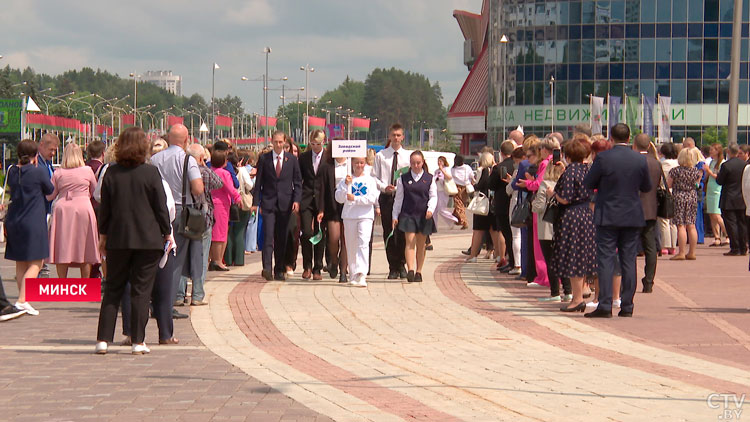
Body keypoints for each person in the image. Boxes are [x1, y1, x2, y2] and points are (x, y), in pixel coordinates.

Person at [95, 127, 171, 354]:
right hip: (148, 240)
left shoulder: (111, 173)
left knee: (113, 289)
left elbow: (104, 209)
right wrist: (167, 231)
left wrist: (103, 234)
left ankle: (103, 339)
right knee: (141, 290)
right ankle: (138, 341)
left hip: (118, 238)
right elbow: (160, 207)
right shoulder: (151, 173)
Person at [583, 123, 652, 318]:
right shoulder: (639, 159)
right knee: (628, 260)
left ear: (610, 138)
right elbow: (646, 186)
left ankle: (605, 305)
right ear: (629, 138)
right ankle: (627, 305)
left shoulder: (604, 157)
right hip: (632, 214)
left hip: (608, 214)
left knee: (605, 259)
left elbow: (589, 182)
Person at [149, 124, 204, 321]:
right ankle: (166, 305)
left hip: (157, 211)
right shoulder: (188, 159)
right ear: (186, 140)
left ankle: (155, 301)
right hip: (181, 211)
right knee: (175, 260)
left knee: (158, 258)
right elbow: (197, 188)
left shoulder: (155, 159)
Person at [4, 140, 54, 316]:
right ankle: (22, 300)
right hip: (33, 220)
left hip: (14, 220)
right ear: (35, 155)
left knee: (21, 261)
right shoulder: (38, 171)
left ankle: (23, 298)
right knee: (36, 262)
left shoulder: (11, 172)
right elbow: (50, 190)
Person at [549, 136, 596, 312]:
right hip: (586, 214)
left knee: (573, 256)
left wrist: (552, 194)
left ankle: (576, 298)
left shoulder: (570, 172)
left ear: (567, 156)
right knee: (583, 255)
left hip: (572, 216)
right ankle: (581, 292)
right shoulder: (588, 170)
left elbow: (566, 198)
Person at [176, 144, 223, 307]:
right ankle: (197, 295)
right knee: (200, 257)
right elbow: (219, 183)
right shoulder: (203, 172)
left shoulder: (179, 171)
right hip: (201, 217)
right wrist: (204, 165)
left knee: (181, 257)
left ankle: (179, 294)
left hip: (183, 216)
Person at [251, 131, 302, 281]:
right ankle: (266, 267)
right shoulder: (265, 159)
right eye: (276, 142)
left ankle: (279, 268)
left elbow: (297, 182)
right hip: (268, 203)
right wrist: (255, 203)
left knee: (281, 238)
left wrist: (296, 200)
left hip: (285, 204)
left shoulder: (291, 160)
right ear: (272, 141)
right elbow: (258, 182)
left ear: (285, 142)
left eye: (281, 142)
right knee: (268, 237)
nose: (278, 145)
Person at [46, 143, 100, 278]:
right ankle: (85, 284)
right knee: (85, 248)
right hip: (83, 208)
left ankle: (63, 283)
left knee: (62, 248)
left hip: (63, 210)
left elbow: (50, 195)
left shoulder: (58, 173)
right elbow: (95, 191)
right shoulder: (87, 171)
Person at [372, 124, 412, 279]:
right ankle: (392, 266)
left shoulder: (407, 156)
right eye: (393, 135)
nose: (396, 138)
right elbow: (374, 176)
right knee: (388, 232)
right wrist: (383, 187)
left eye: (399, 135)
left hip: (402, 197)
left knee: (401, 232)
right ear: (389, 136)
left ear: (403, 137)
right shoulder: (381, 156)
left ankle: (402, 264)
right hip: (387, 197)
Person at [532, 150, 571, 302]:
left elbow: (539, 207)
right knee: (564, 259)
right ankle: (568, 290)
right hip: (562, 226)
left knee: (551, 261)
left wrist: (533, 204)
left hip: (547, 228)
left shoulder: (545, 184)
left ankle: (555, 292)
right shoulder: (565, 184)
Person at [392, 150, 437, 283]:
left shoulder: (429, 178)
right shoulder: (403, 179)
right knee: (409, 241)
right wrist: (395, 215)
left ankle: (419, 271)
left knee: (421, 244)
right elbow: (398, 199)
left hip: (423, 215)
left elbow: (433, 196)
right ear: (410, 164)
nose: (416, 166)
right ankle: (410, 269)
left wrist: (430, 209)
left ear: (422, 163)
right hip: (408, 214)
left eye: (418, 163)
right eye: (413, 163)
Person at [335, 156, 380, 287]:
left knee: (363, 243)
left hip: (365, 215)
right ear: (352, 164)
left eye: (361, 162)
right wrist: (345, 186)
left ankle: (362, 273)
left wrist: (355, 198)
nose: (359, 165)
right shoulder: (346, 180)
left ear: (365, 163)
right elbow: (338, 198)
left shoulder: (370, 180)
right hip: (349, 216)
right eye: (356, 163)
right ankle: (353, 274)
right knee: (351, 245)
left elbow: (372, 198)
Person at [634, 134, 663, 293]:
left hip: (633, 208)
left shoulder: (634, 161)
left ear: (635, 145)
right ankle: (649, 281)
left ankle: (629, 279)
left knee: (630, 245)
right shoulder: (656, 163)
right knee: (650, 246)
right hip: (651, 208)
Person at [298, 129, 327, 280]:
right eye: (313, 144)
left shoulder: (328, 158)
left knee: (320, 233)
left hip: (322, 199)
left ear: (324, 142)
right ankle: (307, 266)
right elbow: (299, 180)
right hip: (306, 198)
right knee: (307, 233)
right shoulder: (303, 158)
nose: (315, 147)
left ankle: (317, 267)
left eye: (318, 143)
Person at [465, 152, 502, 263]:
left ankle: (473, 255)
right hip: (492, 203)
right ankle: (499, 254)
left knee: (478, 230)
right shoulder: (496, 169)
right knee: (493, 229)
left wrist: (474, 186)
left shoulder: (484, 170)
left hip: (483, 203)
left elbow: (482, 184)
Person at [668, 148, 703, 261]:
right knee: (691, 225)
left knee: (680, 225)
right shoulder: (696, 172)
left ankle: (681, 252)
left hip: (679, 197)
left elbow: (669, 184)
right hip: (692, 197)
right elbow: (697, 185)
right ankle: (692, 252)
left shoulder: (675, 171)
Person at [209, 149, 241, 271]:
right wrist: (237, 197)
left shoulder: (209, 171)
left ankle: (212, 259)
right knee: (220, 234)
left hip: (211, 202)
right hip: (221, 204)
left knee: (213, 233)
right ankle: (218, 260)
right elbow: (230, 187)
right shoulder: (224, 173)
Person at [489, 140, 517, 272]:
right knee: (515, 235)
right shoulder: (516, 166)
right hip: (514, 203)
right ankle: (513, 261)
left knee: (507, 234)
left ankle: (511, 260)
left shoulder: (498, 167)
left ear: (501, 153)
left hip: (501, 204)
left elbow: (491, 185)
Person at [717, 144, 748, 256]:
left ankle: (735, 248)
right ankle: (743, 248)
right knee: (742, 223)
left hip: (729, 198)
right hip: (741, 197)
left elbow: (719, 181)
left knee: (731, 224)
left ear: (729, 152)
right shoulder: (744, 165)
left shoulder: (726, 165)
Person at [36, 133, 59, 278]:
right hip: (39, 206)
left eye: (55, 150)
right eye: (51, 149)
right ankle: (37, 268)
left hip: (46, 207)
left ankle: (39, 266)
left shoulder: (47, 163)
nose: (53, 153)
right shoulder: (37, 163)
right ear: (41, 146)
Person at [223, 150, 251, 267]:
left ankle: (228, 259)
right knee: (239, 232)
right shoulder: (242, 170)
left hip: (227, 203)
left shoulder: (223, 171)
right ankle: (239, 259)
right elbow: (249, 185)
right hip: (241, 203)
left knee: (228, 232)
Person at [704, 143, 728, 247]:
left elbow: (718, 176)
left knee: (717, 215)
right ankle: (716, 237)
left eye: (712, 150)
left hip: (717, 189)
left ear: (718, 151)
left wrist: (708, 171)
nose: (710, 152)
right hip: (710, 188)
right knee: (711, 214)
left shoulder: (722, 163)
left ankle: (727, 234)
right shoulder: (712, 162)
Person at [658, 143, 680, 255]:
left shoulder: (663, 164)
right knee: (673, 221)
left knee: (664, 220)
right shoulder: (678, 163)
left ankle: (665, 245)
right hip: (677, 193)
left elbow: (662, 180)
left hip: (666, 193)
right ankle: (673, 245)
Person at [434, 156, 459, 227]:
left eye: (441, 161)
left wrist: (442, 170)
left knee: (441, 209)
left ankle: (454, 219)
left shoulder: (446, 169)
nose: (439, 163)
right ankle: (434, 225)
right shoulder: (436, 171)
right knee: (434, 210)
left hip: (443, 191)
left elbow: (449, 177)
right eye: (438, 161)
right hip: (436, 190)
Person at [450, 155, 473, 229]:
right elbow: (472, 176)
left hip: (456, 188)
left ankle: (464, 221)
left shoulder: (453, 169)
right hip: (465, 188)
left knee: (459, 205)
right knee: (461, 204)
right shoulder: (467, 168)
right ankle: (457, 219)